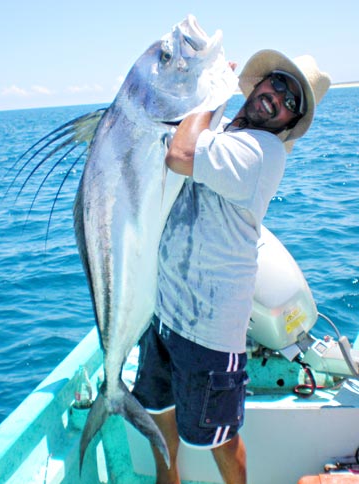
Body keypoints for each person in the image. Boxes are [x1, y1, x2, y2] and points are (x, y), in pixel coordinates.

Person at [132, 49, 331, 484]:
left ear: (289, 123)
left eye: (291, 100)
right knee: (159, 413)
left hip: (208, 330)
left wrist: (213, 91)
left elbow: (179, 154)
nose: (279, 97)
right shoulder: (220, 128)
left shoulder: (262, 153)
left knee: (220, 440)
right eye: (277, 82)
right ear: (258, 82)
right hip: (165, 309)